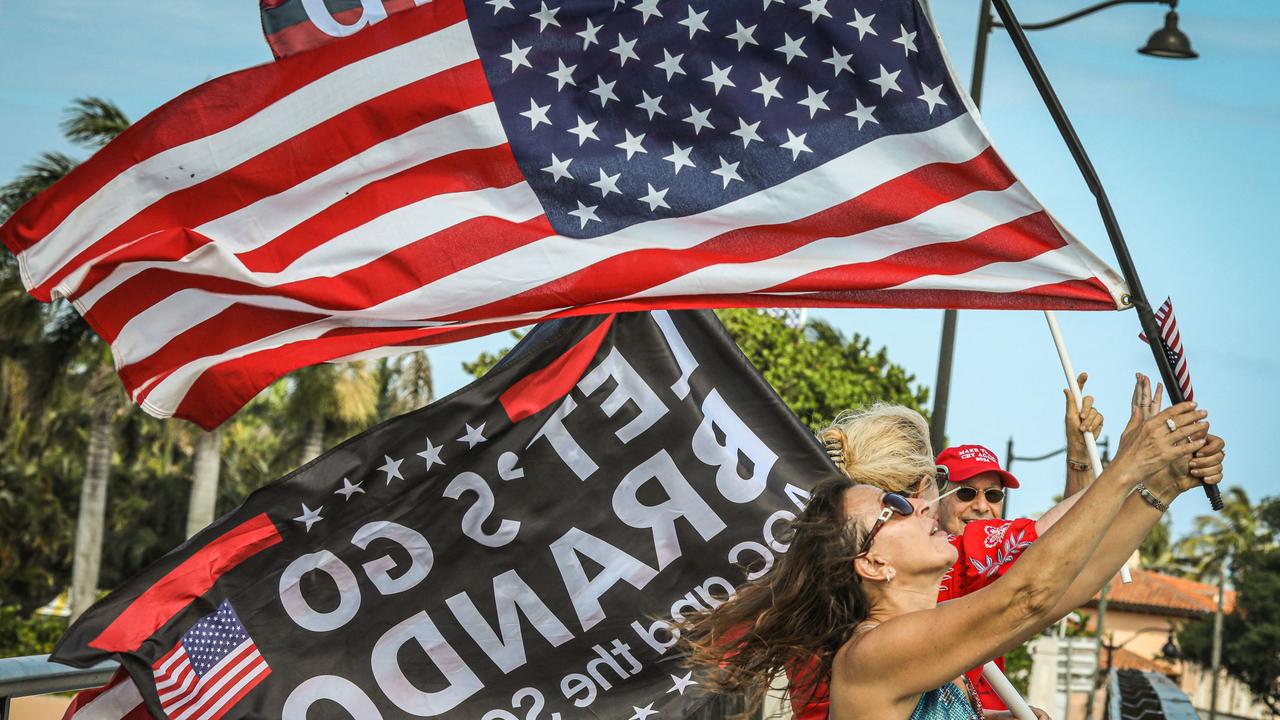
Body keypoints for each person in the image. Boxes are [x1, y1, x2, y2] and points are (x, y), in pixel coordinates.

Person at [682, 379, 1223, 720]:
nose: (928, 505)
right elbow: (1031, 594)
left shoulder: (908, 632)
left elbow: (1068, 587)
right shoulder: (871, 651)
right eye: (898, 504)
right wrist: (1128, 466)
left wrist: (1164, 485)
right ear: (872, 563)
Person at [935, 373, 1103, 537]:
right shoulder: (916, 559)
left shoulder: (1008, 557)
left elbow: (1068, 539)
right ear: (935, 501)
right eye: (966, 493)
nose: (982, 506)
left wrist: (1078, 451)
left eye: (993, 495)